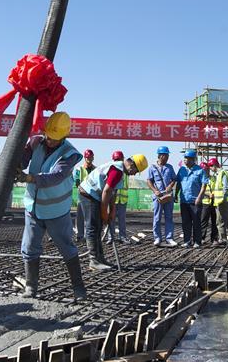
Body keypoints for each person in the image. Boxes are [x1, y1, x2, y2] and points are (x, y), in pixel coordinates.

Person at [16, 111, 88, 297]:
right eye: (48, 136)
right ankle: (31, 286)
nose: (49, 141)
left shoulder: (70, 154)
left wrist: (29, 178)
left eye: (55, 138)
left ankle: (78, 287)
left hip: (56, 211)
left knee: (66, 246)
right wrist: (16, 161)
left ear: (64, 136)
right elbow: (23, 160)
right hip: (32, 207)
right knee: (29, 246)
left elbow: (55, 176)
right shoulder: (35, 142)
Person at [79, 146, 148, 269]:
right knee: (93, 226)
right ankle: (93, 261)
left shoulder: (120, 170)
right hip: (88, 194)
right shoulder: (117, 170)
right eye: (135, 171)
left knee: (98, 226)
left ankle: (100, 259)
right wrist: (104, 212)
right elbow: (106, 192)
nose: (134, 174)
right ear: (132, 166)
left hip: (95, 195)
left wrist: (112, 212)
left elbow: (112, 193)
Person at [176, 151, 208, 248]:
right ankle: (187, 241)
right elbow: (178, 183)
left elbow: (204, 185)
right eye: (185, 158)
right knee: (186, 222)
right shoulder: (181, 170)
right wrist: (175, 195)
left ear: (193, 159)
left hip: (195, 201)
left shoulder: (200, 170)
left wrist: (199, 197)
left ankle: (197, 241)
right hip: (184, 200)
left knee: (196, 222)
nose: (186, 160)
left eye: (188, 158)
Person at [146, 146, 177, 246]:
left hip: (168, 195)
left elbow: (174, 179)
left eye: (167, 155)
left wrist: (170, 186)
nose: (167, 157)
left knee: (169, 217)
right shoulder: (152, 167)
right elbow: (149, 181)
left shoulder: (170, 167)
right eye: (165, 155)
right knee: (157, 218)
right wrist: (155, 191)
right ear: (160, 156)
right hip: (158, 197)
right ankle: (157, 238)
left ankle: (169, 238)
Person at [208, 158, 228, 246]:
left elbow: (225, 188)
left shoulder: (222, 173)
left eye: (211, 166)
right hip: (219, 202)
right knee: (220, 221)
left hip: (223, 201)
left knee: (226, 221)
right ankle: (223, 239)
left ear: (215, 165)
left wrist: (222, 199)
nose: (210, 168)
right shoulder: (218, 174)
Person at [72, 149, 97, 242]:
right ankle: (79, 235)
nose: (89, 160)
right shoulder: (79, 169)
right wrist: (83, 191)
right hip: (82, 195)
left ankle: (88, 236)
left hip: (92, 196)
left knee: (89, 217)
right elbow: (77, 182)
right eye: (88, 158)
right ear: (85, 158)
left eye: (91, 158)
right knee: (80, 217)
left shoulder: (96, 169)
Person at [106, 152, 130, 244]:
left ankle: (122, 237)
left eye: (119, 159)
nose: (118, 161)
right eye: (116, 160)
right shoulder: (111, 169)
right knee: (110, 219)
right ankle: (110, 238)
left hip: (122, 199)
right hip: (113, 199)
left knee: (122, 220)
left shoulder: (125, 171)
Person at [198, 161, 218, 244]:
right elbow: (199, 190)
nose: (206, 171)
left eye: (207, 170)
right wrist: (207, 194)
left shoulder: (213, 178)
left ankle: (214, 239)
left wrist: (214, 193)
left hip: (214, 202)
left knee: (215, 221)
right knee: (203, 221)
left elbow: (217, 188)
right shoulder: (199, 179)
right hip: (205, 202)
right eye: (204, 170)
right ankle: (201, 238)